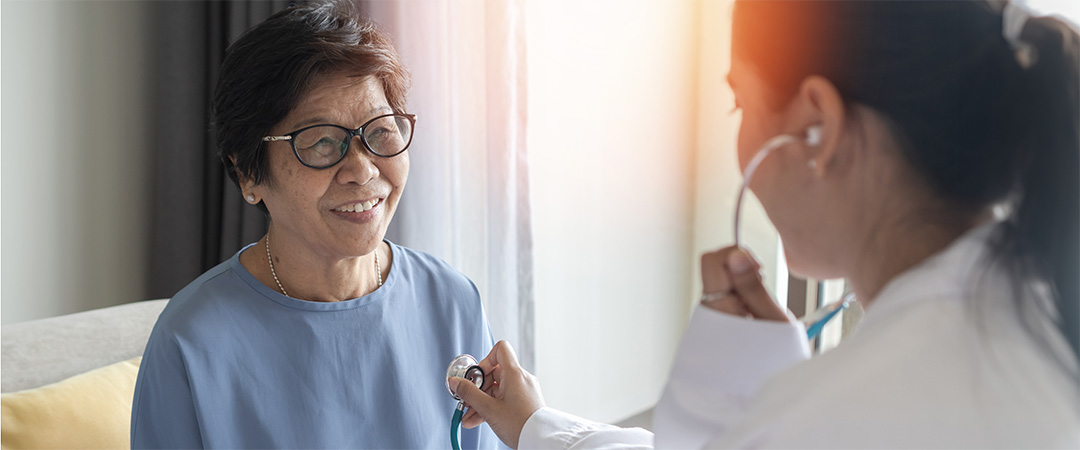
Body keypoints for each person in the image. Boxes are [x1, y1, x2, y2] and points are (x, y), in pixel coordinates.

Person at [449, 1, 1080, 448]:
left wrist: (767, 411)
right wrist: (537, 425)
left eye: (740, 102)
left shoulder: (827, 419)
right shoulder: (1042, 315)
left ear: (818, 126)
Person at [130, 1, 501, 448]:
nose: (362, 170)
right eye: (323, 142)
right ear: (249, 174)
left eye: (381, 130)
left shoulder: (453, 300)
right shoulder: (190, 341)